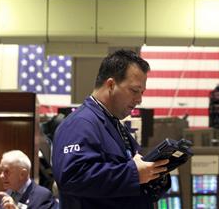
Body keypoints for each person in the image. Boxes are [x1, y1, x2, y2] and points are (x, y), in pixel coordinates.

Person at [52, 49, 171, 209]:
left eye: (142, 93)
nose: (139, 99)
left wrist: (155, 173)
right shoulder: (81, 123)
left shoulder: (113, 124)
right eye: (135, 91)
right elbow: (73, 176)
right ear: (111, 85)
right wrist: (133, 173)